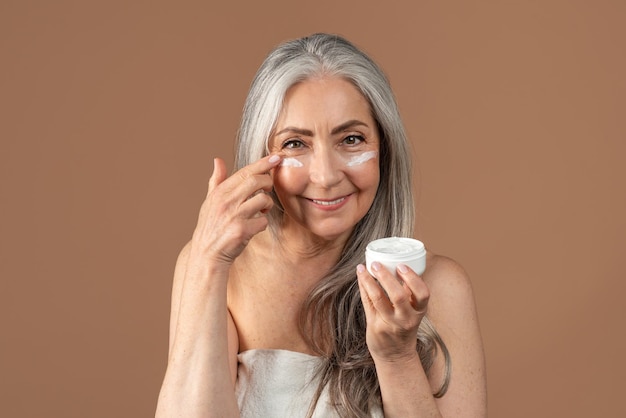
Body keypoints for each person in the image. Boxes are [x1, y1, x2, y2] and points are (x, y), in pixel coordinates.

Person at [156, 33, 487, 417]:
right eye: (296, 143)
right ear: (261, 156)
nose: (326, 176)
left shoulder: (438, 288)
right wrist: (209, 260)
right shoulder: (215, 271)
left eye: (351, 139)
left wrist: (397, 358)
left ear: (385, 149)